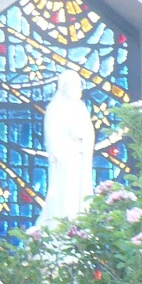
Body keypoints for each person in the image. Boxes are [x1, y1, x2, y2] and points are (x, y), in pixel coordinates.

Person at [41, 69, 96, 225]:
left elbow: (88, 132)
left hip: (78, 155)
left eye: (78, 86)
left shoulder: (80, 107)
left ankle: (76, 222)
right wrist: (58, 152)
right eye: (73, 85)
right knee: (63, 192)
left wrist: (83, 140)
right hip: (63, 157)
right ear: (63, 87)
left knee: (78, 192)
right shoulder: (55, 107)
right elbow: (51, 134)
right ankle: (60, 223)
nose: (76, 89)